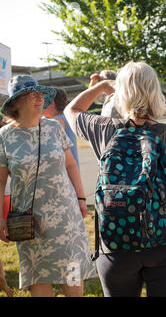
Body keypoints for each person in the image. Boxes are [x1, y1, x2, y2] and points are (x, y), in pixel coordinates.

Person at [64, 61, 166, 297]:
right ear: (156, 91)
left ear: (121, 93)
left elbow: (71, 111)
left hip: (116, 241)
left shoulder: (103, 130)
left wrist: (102, 86)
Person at [0, 75, 96, 297]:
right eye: (33, 94)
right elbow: (1, 180)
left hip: (66, 217)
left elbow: (71, 165)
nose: (39, 98)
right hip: (28, 221)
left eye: (41, 94)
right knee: (39, 277)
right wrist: (1, 218)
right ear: (17, 102)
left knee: (72, 276)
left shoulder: (54, 127)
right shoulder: (4, 137)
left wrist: (81, 199)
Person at [42, 87, 79, 166]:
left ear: (51, 104)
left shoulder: (56, 121)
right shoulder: (66, 117)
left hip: (63, 172)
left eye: (42, 101)